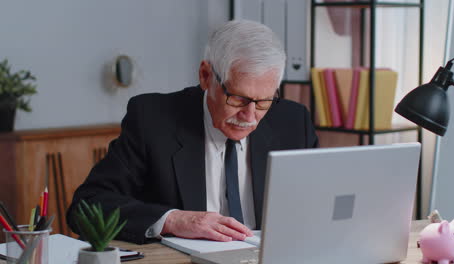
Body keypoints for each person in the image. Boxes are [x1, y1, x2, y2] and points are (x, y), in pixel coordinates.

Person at [66, 20, 318, 245]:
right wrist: (173, 220)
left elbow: (318, 204)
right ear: (206, 76)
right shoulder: (153, 119)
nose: (250, 117)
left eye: (263, 101)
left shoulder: (293, 121)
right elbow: (87, 206)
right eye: (238, 99)